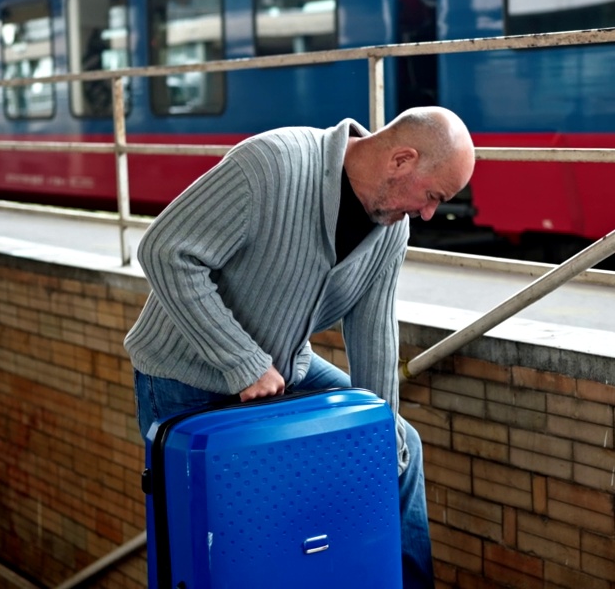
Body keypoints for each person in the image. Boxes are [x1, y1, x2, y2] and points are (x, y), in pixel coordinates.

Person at [125, 106, 475, 589]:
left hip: (286, 371)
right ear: (402, 160)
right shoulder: (272, 165)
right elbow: (164, 250)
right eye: (433, 195)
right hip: (187, 374)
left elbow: (373, 330)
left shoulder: (393, 228)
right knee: (232, 538)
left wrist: (379, 431)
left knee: (399, 448)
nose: (430, 212)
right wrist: (243, 362)